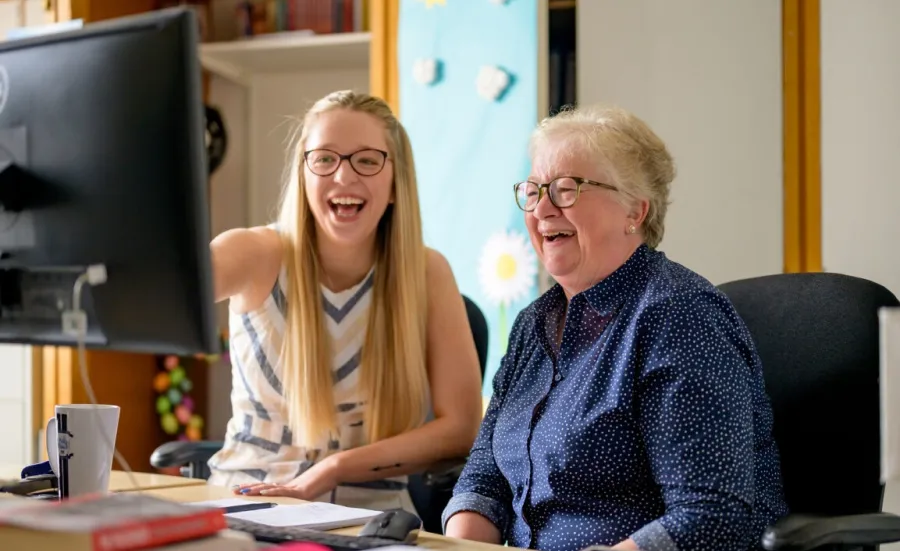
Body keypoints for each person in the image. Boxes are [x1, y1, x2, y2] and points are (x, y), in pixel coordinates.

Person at [442, 105, 789, 551]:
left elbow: (714, 515)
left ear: (635, 211)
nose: (542, 208)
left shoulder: (679, 316)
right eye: (533, 190)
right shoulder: (534, 324)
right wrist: (461, 546)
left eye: (567, 189)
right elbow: (486, 476)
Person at [205, 90, 483, 514]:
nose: (343, 177)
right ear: (304, 175)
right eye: (325, 159)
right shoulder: (252, 253)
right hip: (246, 500)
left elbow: (462, 428)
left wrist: (334, 469)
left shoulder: (427, 273)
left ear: (395, 184)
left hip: (370, 510)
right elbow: (163, 293)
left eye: (367, 160)